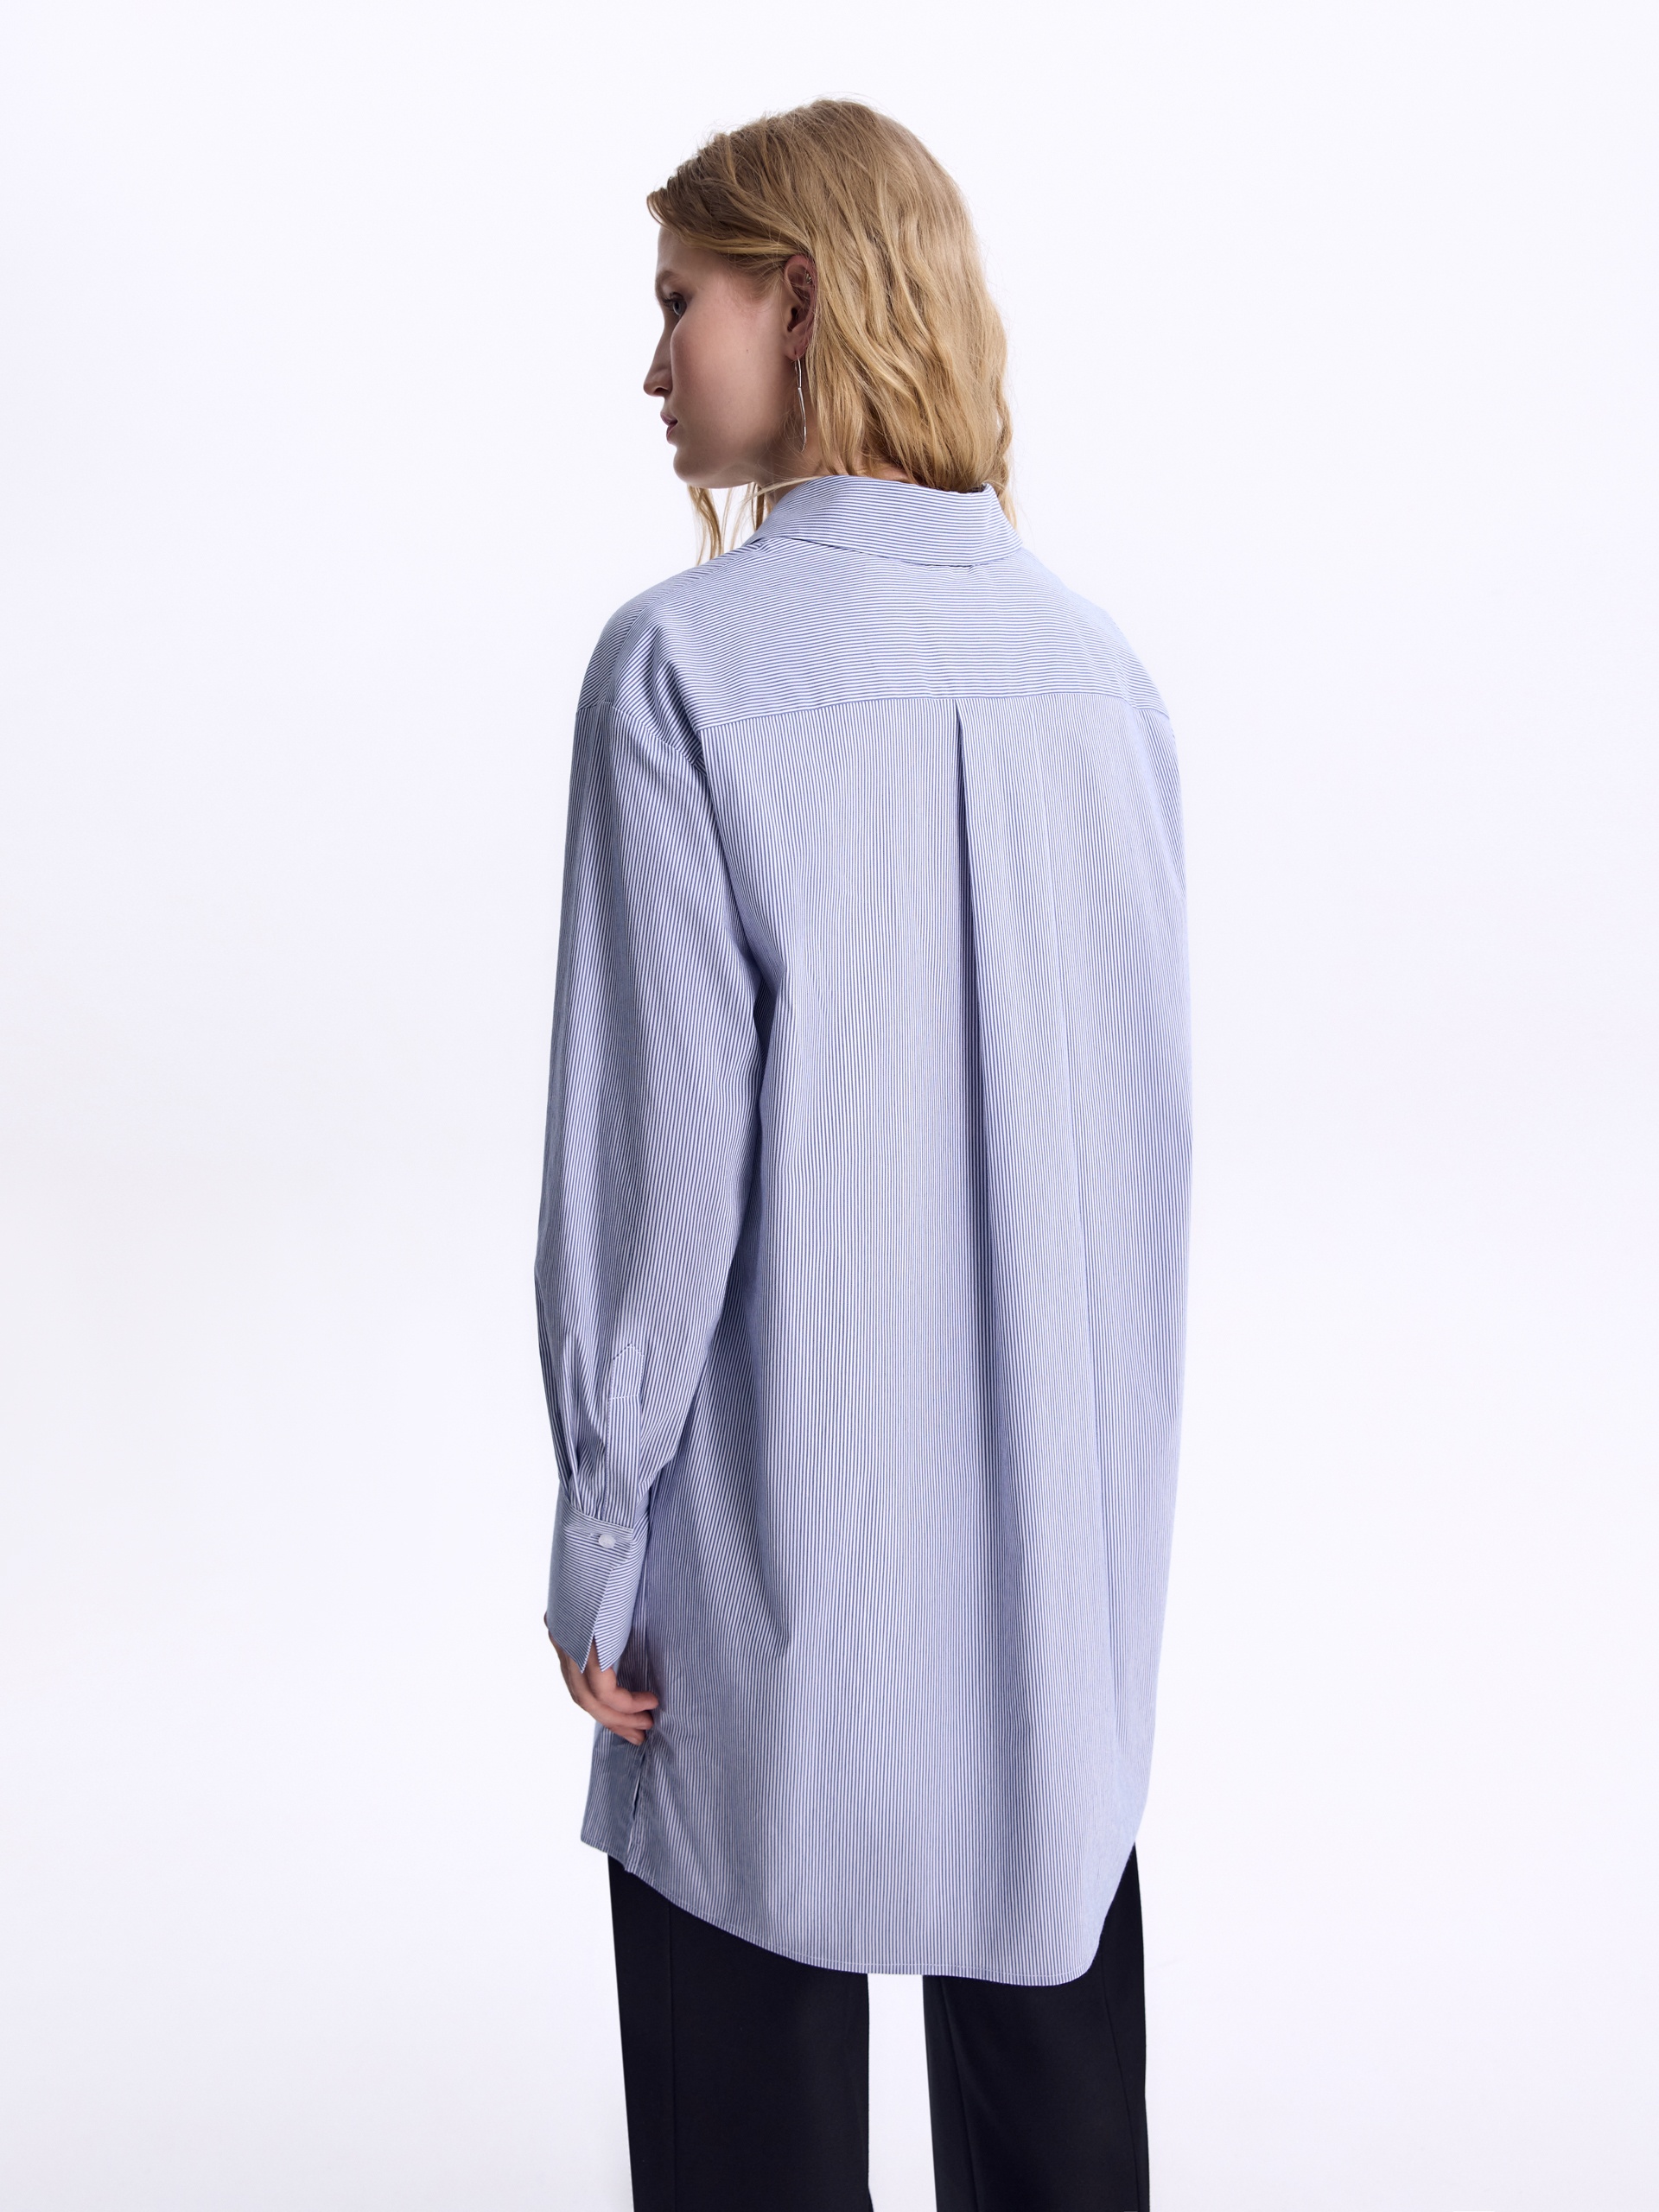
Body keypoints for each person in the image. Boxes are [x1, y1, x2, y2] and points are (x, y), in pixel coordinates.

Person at [537, 99, 1190, 2212]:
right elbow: (1142, 1176)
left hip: (762, 1570)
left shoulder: (680, 671)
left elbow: (657, 1178)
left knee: (749, 2140)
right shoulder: (1102, 680)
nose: (651, 366)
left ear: (802, 300)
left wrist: (603, 1520)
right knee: (1062, 2142)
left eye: (680, 304)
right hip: (1053, 1592)